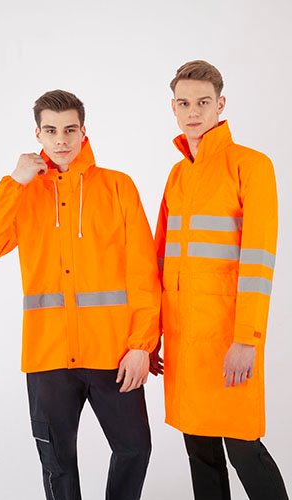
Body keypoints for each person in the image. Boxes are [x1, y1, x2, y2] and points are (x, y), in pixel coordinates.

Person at [0, 89, 160, 500]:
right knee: (57, 463)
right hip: (48, 356)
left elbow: (144, 272)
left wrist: (142, 345)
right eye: (51, 130)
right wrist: (13, 182)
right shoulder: (23, 193)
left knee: (135, 448)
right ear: (37, 134)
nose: (61, 140)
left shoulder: (117, 186)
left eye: (70, 130)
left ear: (83, 132)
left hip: (113, 354)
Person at [152, 60, 288, 500]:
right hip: (183, 341)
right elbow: (160, 262)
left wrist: (246, 338)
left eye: (203, 102)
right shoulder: (178, 174)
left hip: (227, 339)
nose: (193, 112)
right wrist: (151, 336)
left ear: (220, 104)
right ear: (173, 108)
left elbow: (259, 261)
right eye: (184, 103)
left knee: (244, 447)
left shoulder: (251, 165)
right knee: (199, 449)